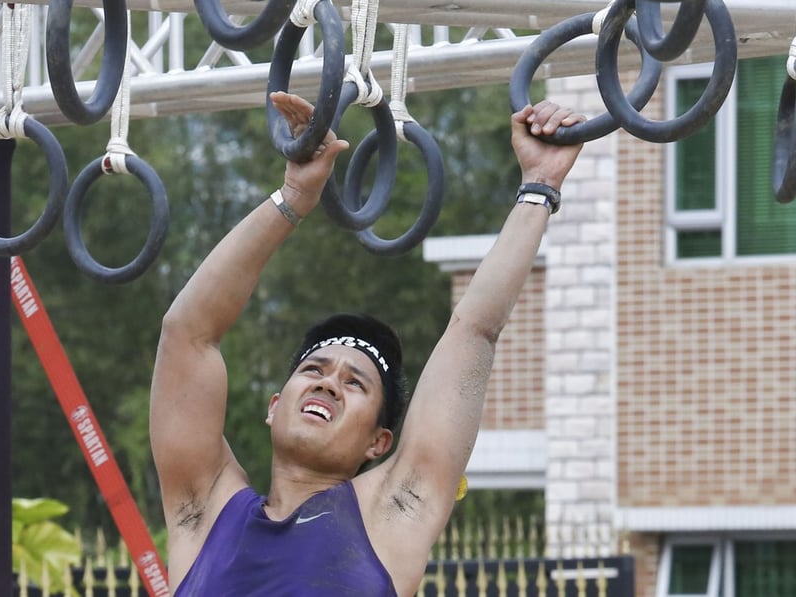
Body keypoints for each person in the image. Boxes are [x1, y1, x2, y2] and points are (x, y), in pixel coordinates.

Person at [149, 91, 587, 596]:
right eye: (314, 369)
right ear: (274, 406)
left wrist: (540, 186)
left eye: (355, 382)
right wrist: (292, 198)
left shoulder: (394, 514)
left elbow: (474, 330)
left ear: (379, 443)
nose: (329, 383)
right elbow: (186, 335)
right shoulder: (203, 512)